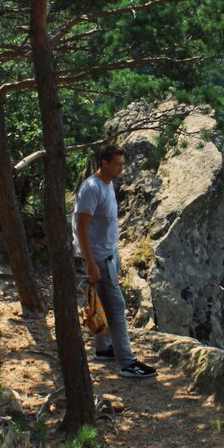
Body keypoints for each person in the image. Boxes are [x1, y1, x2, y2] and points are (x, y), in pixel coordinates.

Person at [72, 144, 158, 378]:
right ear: (104, 163)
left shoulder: (107, 184)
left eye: (123, 163)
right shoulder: (91, 188)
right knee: (117, 307)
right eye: (118, 164)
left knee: (103, 301)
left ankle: (104, 349)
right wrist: (91, 263)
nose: (122, 168)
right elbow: (81, 227)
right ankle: (127, 363)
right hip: (99, 259)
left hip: (108, 255)